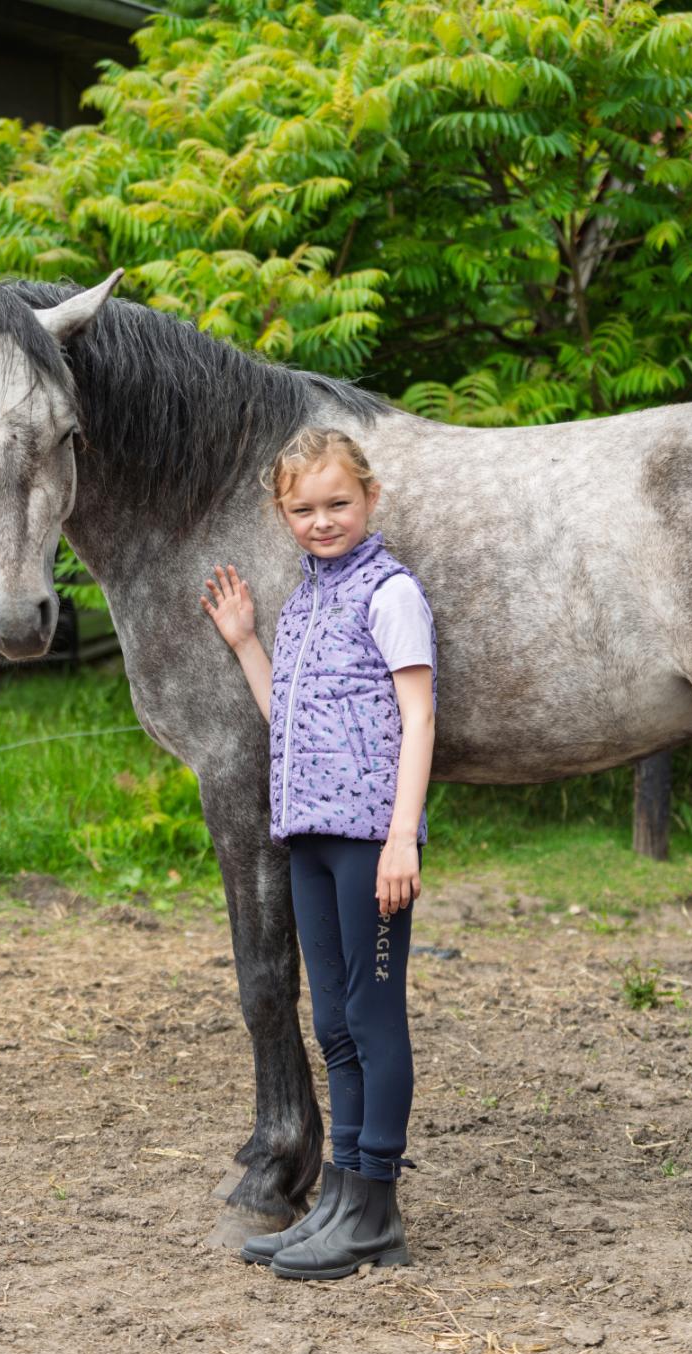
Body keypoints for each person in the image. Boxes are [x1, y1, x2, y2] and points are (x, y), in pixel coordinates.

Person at [199, 426, 437, 1282]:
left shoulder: (390, 593)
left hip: (371, 841)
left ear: (369, 500)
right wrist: (246, 642)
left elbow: (419, 717)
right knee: (332, 1022)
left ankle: (376, 1207)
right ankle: (339, 1195)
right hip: (306, 837)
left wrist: (402, 836)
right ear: (283, 515)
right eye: (302, 508)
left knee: (373, 1020)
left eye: (338, 503)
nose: (321, 520)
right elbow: (288, 718)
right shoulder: (304, 602)